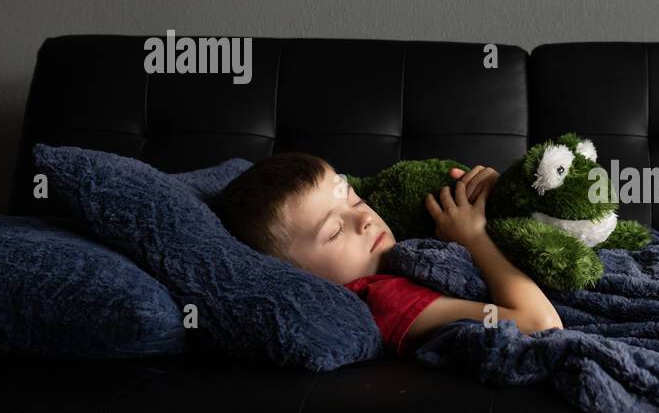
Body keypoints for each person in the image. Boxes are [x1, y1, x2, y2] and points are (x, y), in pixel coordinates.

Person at [211, 152, 562, 356]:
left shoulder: (399, 253)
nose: (364, 218)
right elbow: (540, 324)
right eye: (334, 231)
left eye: (355, 200)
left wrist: (498, 200)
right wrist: (476, 237)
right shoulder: (386, 300)